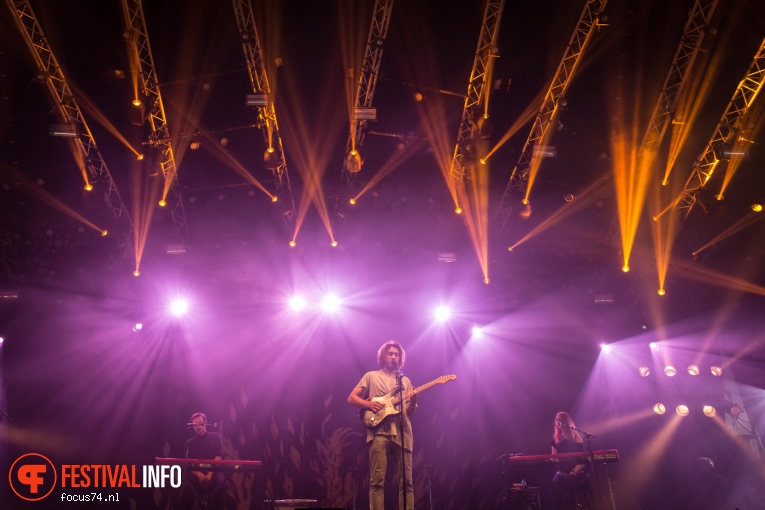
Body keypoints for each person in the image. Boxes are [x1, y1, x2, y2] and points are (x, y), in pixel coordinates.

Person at [348, 340, 418, 510]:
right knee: (377, 482)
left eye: (397, 354)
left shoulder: (405, 381)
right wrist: (369, 405)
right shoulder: (371, 376)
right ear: (383, 356)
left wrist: (413, 400)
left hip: (403, 434)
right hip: (379, 433)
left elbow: (409, 413)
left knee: (407, 482)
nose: (394, 356)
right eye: (390, 353)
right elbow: (351, 398)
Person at [180, 412, 226, 510]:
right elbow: (188, 463)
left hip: (214, 472)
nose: (198, 427)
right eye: (195, 425)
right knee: (187, 484)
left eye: (200, 423)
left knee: (220, 482)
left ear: (205, 423)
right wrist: (200, 475)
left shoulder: (216, 437)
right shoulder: (189, 443)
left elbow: (219, 456)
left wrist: (209, 475)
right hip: (197, 474)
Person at [550, 411, 593, 510]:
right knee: (555, 482)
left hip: (577, 472)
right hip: (562, 473)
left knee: (580, 482)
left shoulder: (576, 438)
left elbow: (582, 461)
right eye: (556, 420)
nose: (557, 422)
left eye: (560, 420)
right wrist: (551, 459)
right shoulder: (555, 440)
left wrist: (574, 471)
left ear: (566, 422)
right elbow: (553, 458)